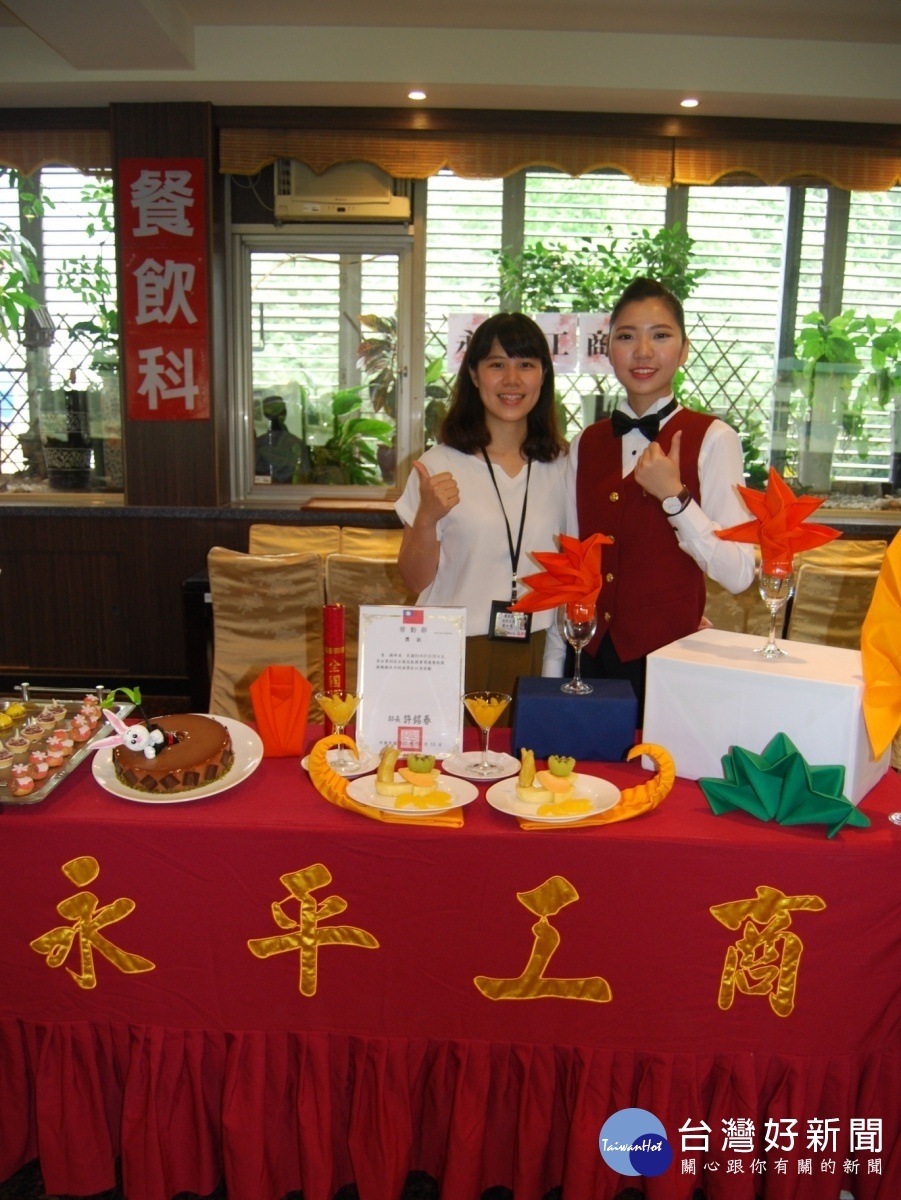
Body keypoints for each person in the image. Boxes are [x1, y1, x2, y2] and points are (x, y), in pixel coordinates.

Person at [561, 276, 755, 712]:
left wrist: (676, 499)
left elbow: (740, 572)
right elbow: (577, 563)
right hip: (589, 659)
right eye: (626, 337)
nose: (643, 352)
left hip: (672, 658)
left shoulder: (714, 438)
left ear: (684, 350)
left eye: (661, 336)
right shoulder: (586, 444)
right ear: (607, 348)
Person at [395, 312, 569, 707]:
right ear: (474, 375)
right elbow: (415, 580)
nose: (512, 379)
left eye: (525, 364)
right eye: (496, 365)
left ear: (543, 375)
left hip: (538, 647)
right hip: (452, 646)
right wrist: (426, 518)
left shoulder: (563, 465)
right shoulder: (438, 464)